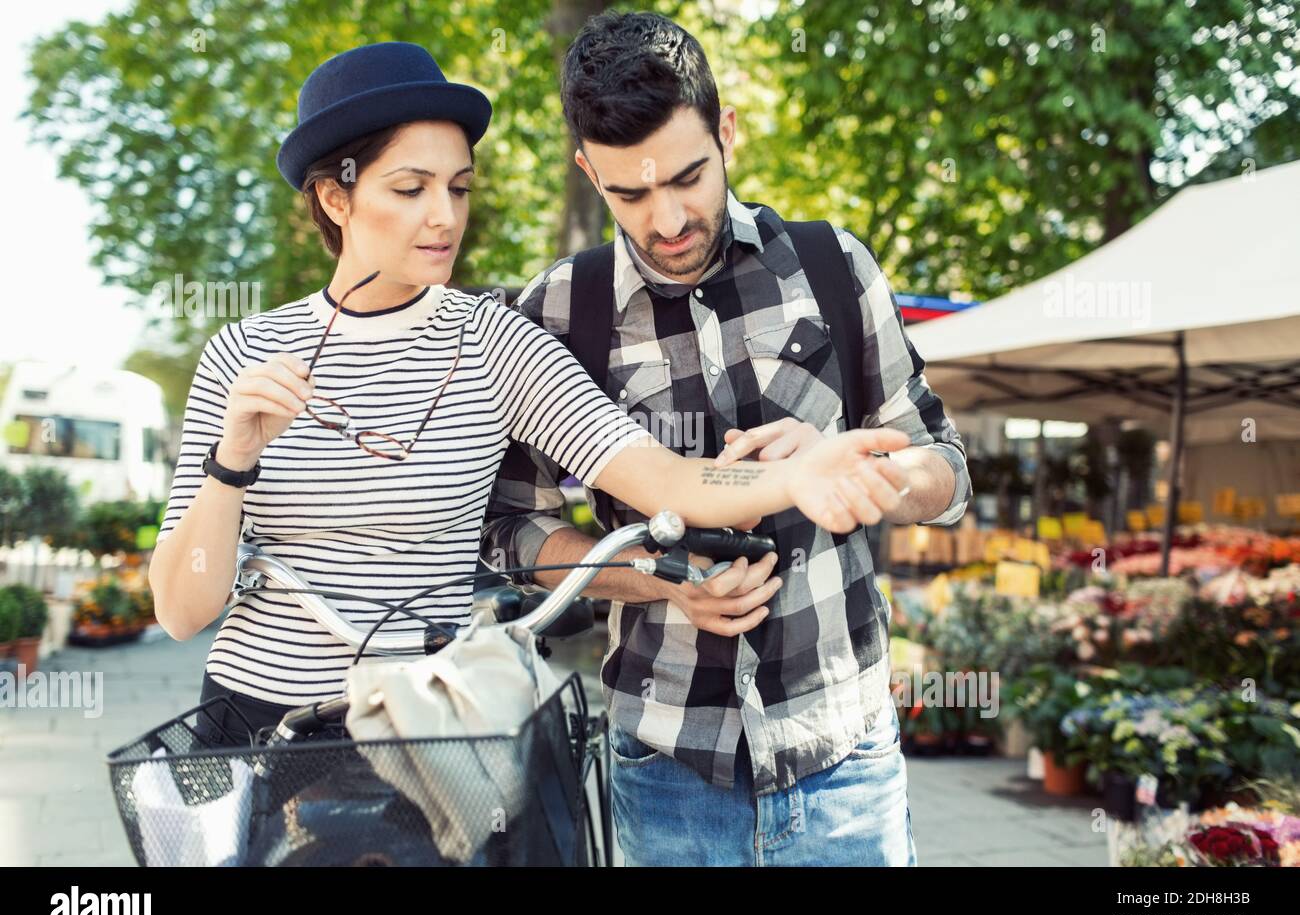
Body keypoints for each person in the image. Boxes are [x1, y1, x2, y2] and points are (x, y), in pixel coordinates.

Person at [145, 40, 910, 746]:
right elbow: (182, 611)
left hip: (426, 731)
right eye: (410, 189)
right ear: (335, 199)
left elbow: (667, 480)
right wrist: (232, 457)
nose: (445, 217)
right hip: (252, 726)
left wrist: (793, 476)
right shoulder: (244, 353)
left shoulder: (497, 342)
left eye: (458, 187)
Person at [480, 12, 972, 866]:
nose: (667, 219)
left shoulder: (832, 267)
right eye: (630, 193)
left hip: (846, 762)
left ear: (728, 131)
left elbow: (947, 469)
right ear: (587, 171)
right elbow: (509, 533)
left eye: (688, 177)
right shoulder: (560, 311)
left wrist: (866, 471)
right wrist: (653, 582)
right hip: (666, 770)